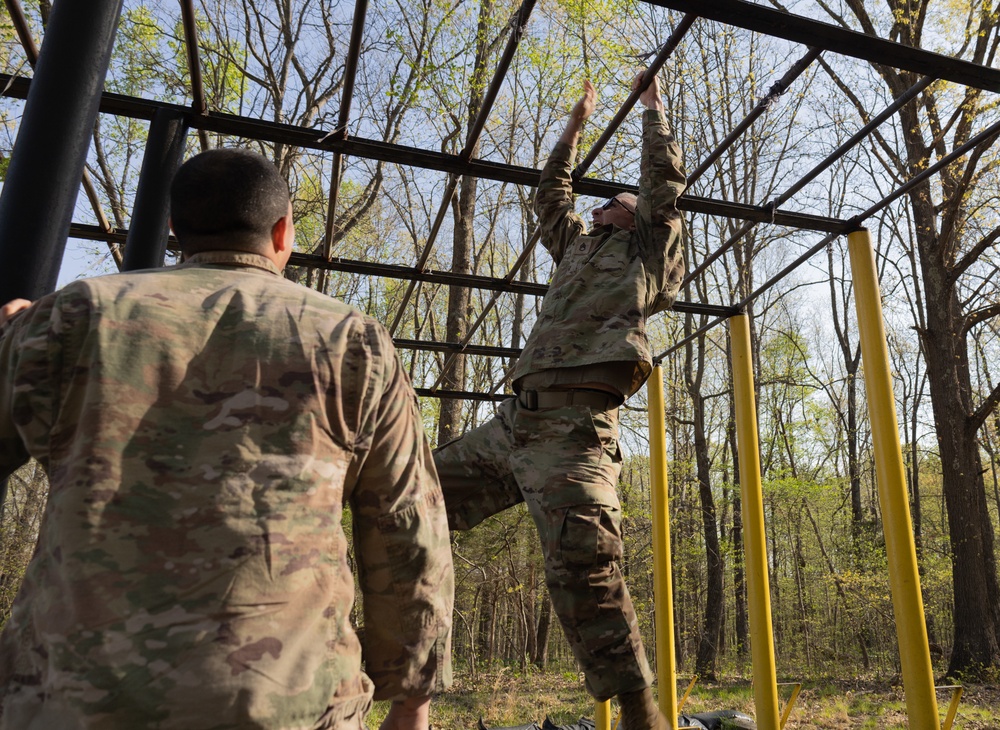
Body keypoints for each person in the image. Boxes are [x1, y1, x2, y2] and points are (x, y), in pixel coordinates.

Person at [0, 148, 453, 730]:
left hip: (71, 697)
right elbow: (407, 526)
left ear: (173, 229)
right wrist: (412, 695)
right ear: (284, 231)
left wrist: (21, 340)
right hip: (291, 704)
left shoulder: (73, 316)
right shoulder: (353, 340)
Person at [434, 72, 685, 729]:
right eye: (598, 201)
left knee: (585, 566)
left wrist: (652, 110)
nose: (599, 204)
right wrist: (575, 124)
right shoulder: (576, 249)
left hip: (576, 427)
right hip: (516, 423)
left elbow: (663, 189)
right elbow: (550, 191)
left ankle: (640, 710)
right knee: (414, 488)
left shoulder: (646, 252)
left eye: (612, 200)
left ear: (634, 216)